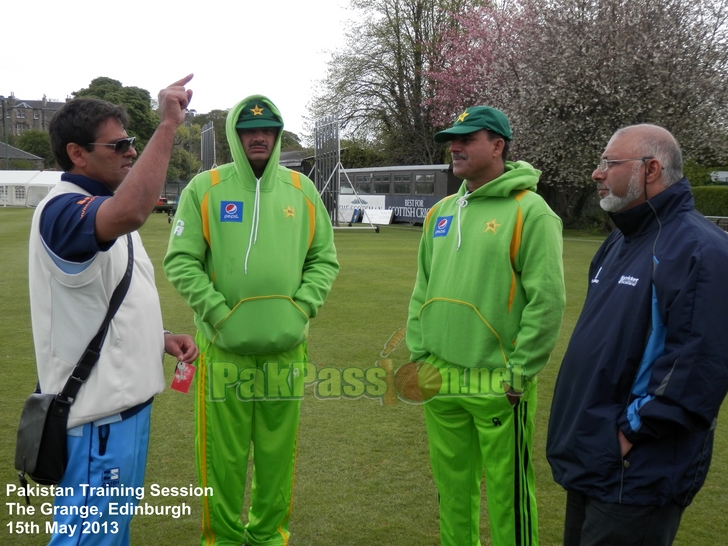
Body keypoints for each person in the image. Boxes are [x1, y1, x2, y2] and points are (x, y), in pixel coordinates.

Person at [29, 75, 199, 545]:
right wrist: (167, 126)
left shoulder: (101, 207)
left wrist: (159, 337)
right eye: (119, 144)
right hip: (96, 422)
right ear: (76, 153)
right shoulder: (62, 211)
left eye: (133, 142)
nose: (129, 151)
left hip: (126, 411)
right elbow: (132, 212)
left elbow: (107, 300)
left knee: (110, 535)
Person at [163, 95, 339, 546]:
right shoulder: (205, 188)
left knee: (278, 458)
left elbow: (324, 261)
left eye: (268, 130)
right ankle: (221, 539)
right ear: (234, 136)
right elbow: (182, 262)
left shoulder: (302, 190)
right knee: (222, 458)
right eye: (248, 129)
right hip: (223, 350)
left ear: (278, 136)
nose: (258, 136)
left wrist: (301, 308)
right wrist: (219, 315)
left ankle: (267, 537)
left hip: (285, 350)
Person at [546, 124, 728, 546]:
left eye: (609, 163)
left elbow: (698, 368)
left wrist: (628, 435)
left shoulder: (701, 251)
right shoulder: (619, 242)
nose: (597, 172)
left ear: (650, 169)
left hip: (637, 469)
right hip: (594, 456)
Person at [406, 106, 566, 546]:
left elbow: (548, 300)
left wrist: (518, 374)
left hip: (499, 380)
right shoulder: (440, 211)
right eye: (452, 139)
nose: (454, 147)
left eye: (467, 139)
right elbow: (423, 287)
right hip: (440, 375)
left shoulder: (531, 212)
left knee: (508, 493)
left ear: (497, 145)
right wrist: (420, 355)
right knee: (452, 490)